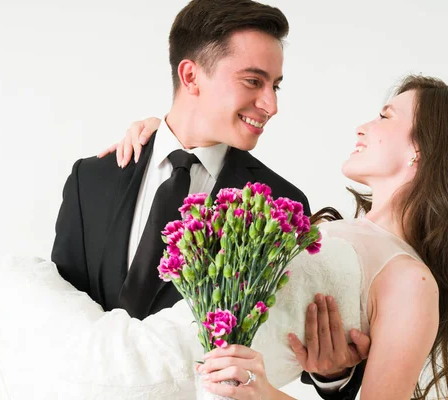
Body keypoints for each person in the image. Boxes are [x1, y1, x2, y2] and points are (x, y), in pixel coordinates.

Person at [29, 0, 367, 396]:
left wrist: (332, 376)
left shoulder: (279, 204)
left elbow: (291, 343)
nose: (272, 105)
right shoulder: (92, 180)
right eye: (253, 81)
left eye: (275, 85)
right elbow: (59, 317)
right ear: (191, 76)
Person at [102, 75, 448, 399]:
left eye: (385, 117)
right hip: (145, 348)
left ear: (421, 149)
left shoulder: (411, 280)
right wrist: (166, 139)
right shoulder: (323, 228)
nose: (363, 127)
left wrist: (266, 396)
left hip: (184, 381)